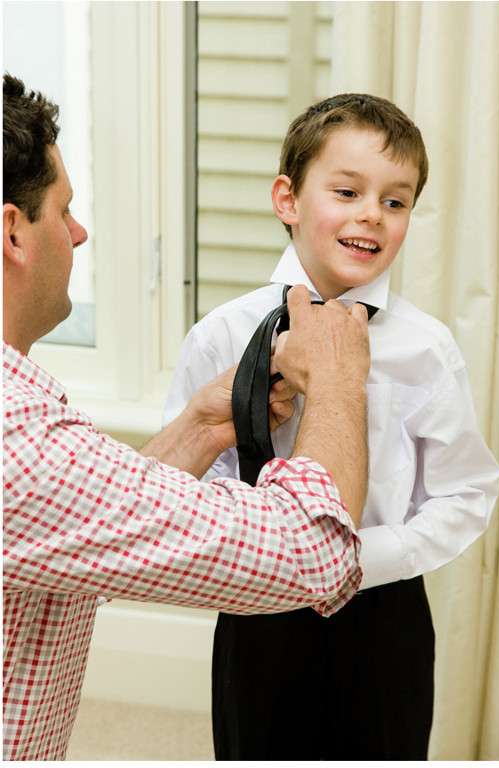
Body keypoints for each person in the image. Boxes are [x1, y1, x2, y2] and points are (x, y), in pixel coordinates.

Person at [2, 73, 372, 761]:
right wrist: (339, 384)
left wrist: (203, 426)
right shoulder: (15, 436)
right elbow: (314, 555)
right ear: (12, 231)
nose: (79, 234)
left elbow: (81, 522)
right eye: (63, 210)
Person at [163, 92, 499, 760]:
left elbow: (466, 493)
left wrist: (364, 559)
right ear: (287, 199)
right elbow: (188, 487)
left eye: (395, 201)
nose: (372, 214)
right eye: (347, 191)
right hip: (260, 613)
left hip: (384, 616)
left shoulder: (427, 348)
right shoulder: (221, 336)